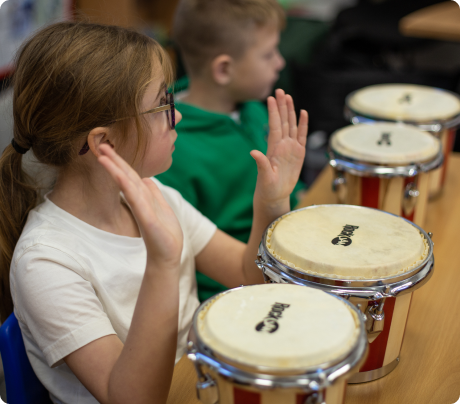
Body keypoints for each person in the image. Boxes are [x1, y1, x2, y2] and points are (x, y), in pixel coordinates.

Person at [0, 22, 308, 404]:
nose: (178, 118)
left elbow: (250, 275)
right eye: (165, 104)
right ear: (104, 142)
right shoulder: (46, 262)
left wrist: (272, 201)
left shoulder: (153, 194)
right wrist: (163, 263)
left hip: (196, 382)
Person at [157, 0, 306, 302]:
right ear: (224, 69)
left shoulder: (252, 108)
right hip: (235, 290)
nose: (280, 62)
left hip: (286, 250)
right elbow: (190, 260)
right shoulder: (170, 150)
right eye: (267, 54)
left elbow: (295, 193)